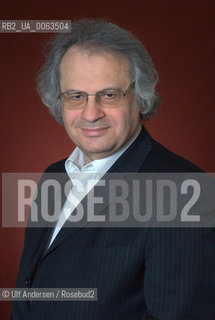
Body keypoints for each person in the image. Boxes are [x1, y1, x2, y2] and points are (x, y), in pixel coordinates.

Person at [12, 19, 215, 320]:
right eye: (76, 96)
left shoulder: (184, 191)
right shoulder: (54, 176)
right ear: (60, 100)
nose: (91, 113)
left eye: (109, 94)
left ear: (139, 97)